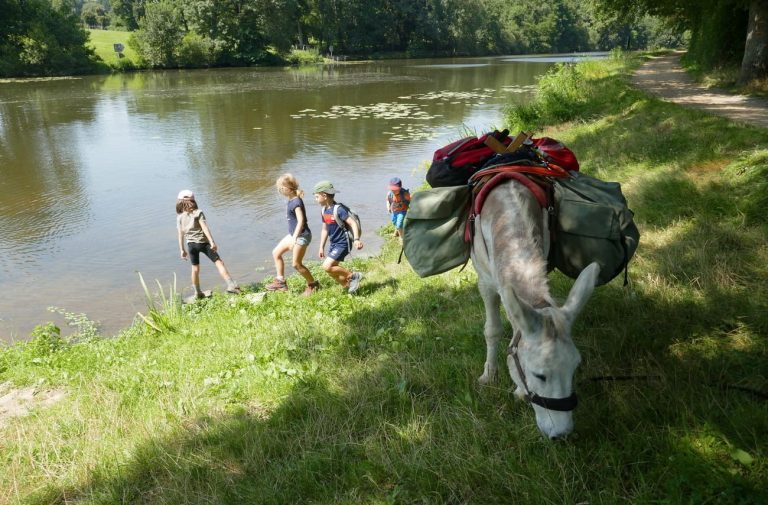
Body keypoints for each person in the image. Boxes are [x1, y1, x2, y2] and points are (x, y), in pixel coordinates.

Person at [176, 190, 240, 298]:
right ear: (193, 200)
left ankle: (197, 292)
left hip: (191, 245)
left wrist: (182, 250)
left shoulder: (179, 218)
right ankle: (231, 285)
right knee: (219, 262)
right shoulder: (198, 212)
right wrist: (212, 242)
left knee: (195, 268)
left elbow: (180, 234)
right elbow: (205, 228)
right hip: (204, 243)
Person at [265, 174, 320, 295]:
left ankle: (313, 284)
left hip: (302, 236)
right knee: (276, 253)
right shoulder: (292, 199)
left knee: (296, 264)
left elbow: (301, 221)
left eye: (281, 188)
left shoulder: (296, 202)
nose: (279, 190)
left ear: (288, 188)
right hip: (293, 234)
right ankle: (281, 281)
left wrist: (294, 238)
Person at [313, 180, 364, 294]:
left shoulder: (339, 209)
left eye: (316, 196)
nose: (315, 199)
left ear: (324, 196)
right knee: (332, 271)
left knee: (327, 266)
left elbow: (352, 223)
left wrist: (356, 239)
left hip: (343, 243)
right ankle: (349, 288)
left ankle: (353, 276)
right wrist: (321, 246)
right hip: (334, 243)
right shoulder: (324, 210)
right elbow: (324, 229)